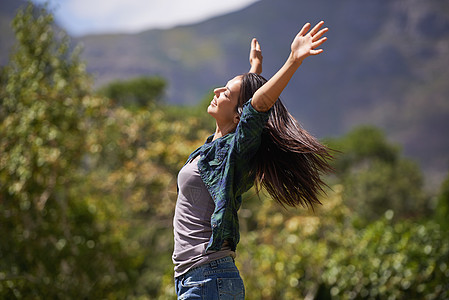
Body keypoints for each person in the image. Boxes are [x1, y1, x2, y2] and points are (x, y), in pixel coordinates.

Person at [173, 21, 333, 299]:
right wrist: (253, 71)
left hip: (208, 278)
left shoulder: (235, 151)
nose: (216, 91)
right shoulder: (216, 148)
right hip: (196, 278)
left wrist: (293, 60)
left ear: (238, 115)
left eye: (226, 92)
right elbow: (247, 102)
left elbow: (255, 106)